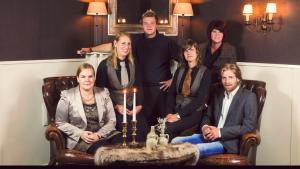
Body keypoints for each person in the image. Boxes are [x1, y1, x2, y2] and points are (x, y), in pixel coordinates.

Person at [80, 10, 180, 126]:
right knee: (146, 127)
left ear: (156, 24)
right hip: (142, 91)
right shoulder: (135, 41)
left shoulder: (167, 42)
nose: (149, 26)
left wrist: (173, 80)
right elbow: (111, 46)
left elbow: (184, 61)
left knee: (163, 125)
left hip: (161, 91)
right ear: (142, 25)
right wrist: (91, 49)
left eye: (152, 23)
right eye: (145, 23)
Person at [171, 63, 257, 158]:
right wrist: (205, 127)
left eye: (231, 77)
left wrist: (220, 132)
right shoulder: (218, 94)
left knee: (193, 150)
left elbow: (249, 126)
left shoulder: (249, 97)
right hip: (209, 136)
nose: (227, 81)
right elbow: (207, 115)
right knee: (175, 141)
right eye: (224, 78)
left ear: (238, 79)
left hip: (227, 142)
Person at [55, 63, 120, 154]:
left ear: (94, 78)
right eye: (83, 77)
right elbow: (60, 122)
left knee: (124, 143)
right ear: (78, 79)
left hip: (103, 133)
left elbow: (111, 120)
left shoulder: (104, 92)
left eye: (90, 76)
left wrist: (99, 134)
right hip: (82, 139)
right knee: (104, 149)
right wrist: (80, 133)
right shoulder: (67, 95)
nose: (87, 80)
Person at [96, 32, 149, 142]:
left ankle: (141, 158)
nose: (126, 47)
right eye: (123, 43)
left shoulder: (134, 63)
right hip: (114, 108)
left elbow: (139, 85)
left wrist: (139, 105)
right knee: (128, 132)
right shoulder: (104, 65)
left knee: (143, 130)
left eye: (129, 44)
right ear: (115, 43)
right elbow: (99, 92)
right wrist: (116, 106)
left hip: (132, 105)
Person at [164, 39, 211, 140]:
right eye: (186, 50)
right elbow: (171, 94)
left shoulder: (205, 72)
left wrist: (178, 116)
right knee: (163, 131)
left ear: (197, 52)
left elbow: (200, 100)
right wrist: (169, 113)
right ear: (183, 54)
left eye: (191, 50)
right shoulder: (179, 70)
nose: (188, 53)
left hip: (193, 113)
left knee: (166, 128)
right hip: (176, 109)